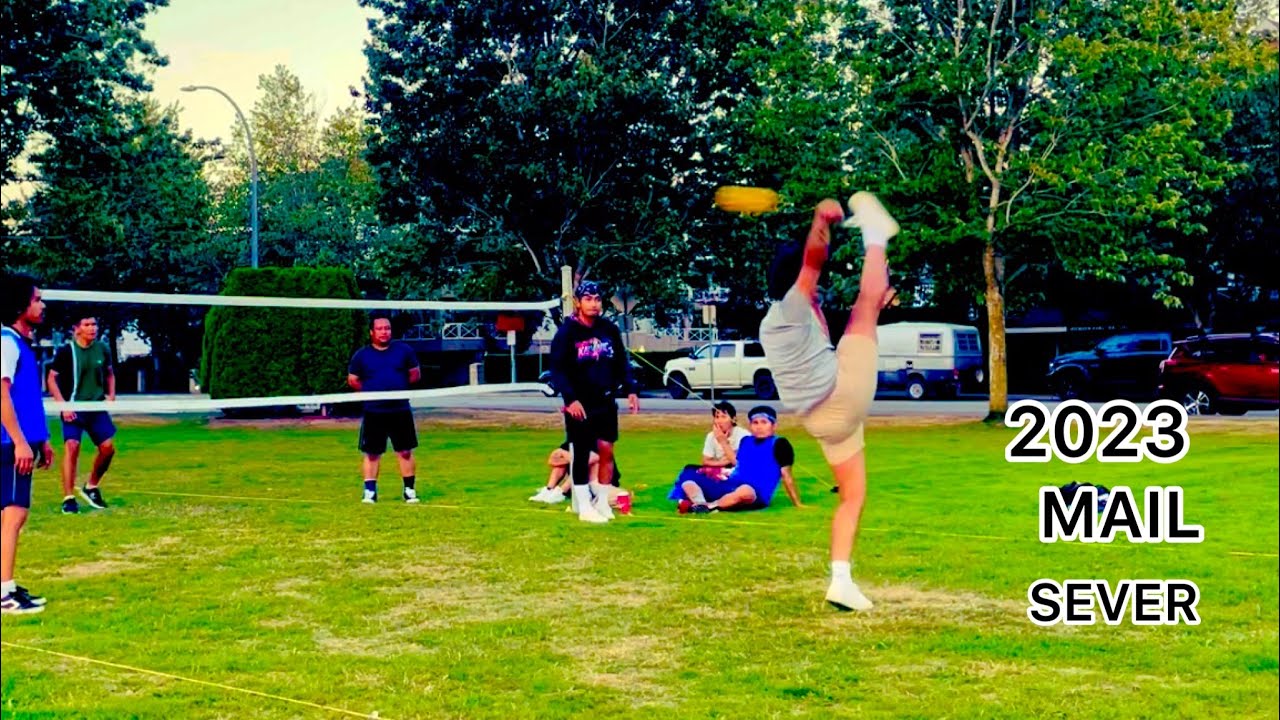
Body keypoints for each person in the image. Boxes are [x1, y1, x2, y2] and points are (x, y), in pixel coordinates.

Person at [759, 192, 899, 612]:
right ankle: (877, 234)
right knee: (865, 305)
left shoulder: (782, 320)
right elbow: (813, 261)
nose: (816, 288)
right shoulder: (790, 307)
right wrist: (821, 222)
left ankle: (841, 581)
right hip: (839, 396)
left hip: (821, 422)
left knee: (852, 496)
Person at [548, 280, 639, 524]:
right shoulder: (567, 332)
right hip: (579, 403)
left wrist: (630, 389)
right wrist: (570, 399)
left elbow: (621, 361)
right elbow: (558, 369)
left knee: (607, 450)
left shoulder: (609, 329)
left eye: (597, 299)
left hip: (605, 400)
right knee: (580, 453)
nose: (594, 304)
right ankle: (584, 507)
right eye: (588, 299)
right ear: (578, 302)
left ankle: (602, 502)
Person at [1, 275, 53, 615]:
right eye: (37, 299)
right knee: (14, 513)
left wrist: (42, 440)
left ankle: (6, 586)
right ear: (20, 305)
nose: (42, 305)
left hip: (22, 441)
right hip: (9, 443)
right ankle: (4, 593)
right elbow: (1, 395)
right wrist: (20, 443)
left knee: (11, 514)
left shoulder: (20, 343)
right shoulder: (6, 342)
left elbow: (28, 399)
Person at [347, 314, 421, 504]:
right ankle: (370, 492)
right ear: (372, 332)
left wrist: (397, 389)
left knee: (405, 451)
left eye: (387, 328)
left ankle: (409, 490)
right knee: (372, 453)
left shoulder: (404, 351)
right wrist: (372, 393)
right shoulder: (361, 355)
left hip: (400, 410)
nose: (384, 332)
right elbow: (353, 380)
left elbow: (414, 375)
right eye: (379, 329)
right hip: (374, 411)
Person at [669, 405, 799, 512]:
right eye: (755, 423)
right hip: (731, 485)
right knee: (689, 480)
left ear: (774, 426)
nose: (759, 427)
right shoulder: (746, 441)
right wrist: (723, 441)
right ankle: (699, 504)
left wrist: (797, 503)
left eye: (764, 423)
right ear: (750, 425)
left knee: (745, 490)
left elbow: (786, 475)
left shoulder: (780, 444)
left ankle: (710, 506)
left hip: (755, 493)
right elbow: (737, 463)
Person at [46, 315, 116, 514]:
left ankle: (91, 486)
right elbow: (51, 379)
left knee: (108, 449)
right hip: (73, 407)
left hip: (95, 407)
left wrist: (111, 395)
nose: (92, 328)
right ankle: (68, 498)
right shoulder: (67, 351)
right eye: (87, 325)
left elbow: (110, 373)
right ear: (77, 329)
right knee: (72, 446)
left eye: (94, 324)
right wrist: (64, 406)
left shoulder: (102, 348)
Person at [529, 441, 625, 505]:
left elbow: (591, 460)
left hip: (597, 482)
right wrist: (569, 459)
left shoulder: (596, 443)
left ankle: (560, 493)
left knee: (581, 467)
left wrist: (565, 455)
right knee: (561, 465)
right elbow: (551, 462)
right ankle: (548, 490)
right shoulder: (569, 444)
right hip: (579, 481)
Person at [700, 400, 751, 470]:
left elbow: (739, 463)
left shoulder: (743, 435)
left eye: (723, 417)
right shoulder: (711, 436)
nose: (719, 421)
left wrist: (723, 441)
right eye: (717, 417)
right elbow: (705, 461)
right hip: (719, 471)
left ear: (733, 419)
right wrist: (724, 462)